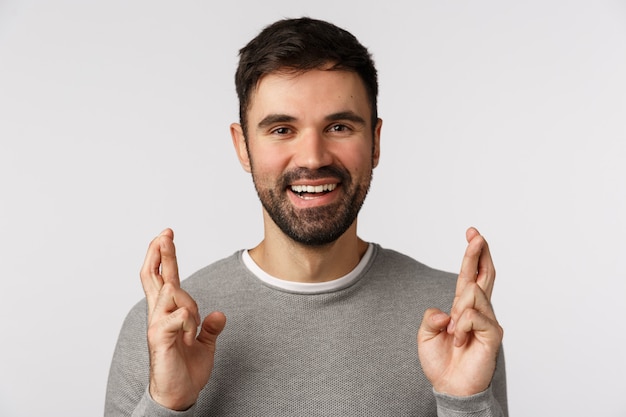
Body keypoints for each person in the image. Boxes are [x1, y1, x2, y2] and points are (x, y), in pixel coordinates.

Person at [105, 17, 507, 416]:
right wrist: (167, 405)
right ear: (243, 147)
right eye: (282, 129)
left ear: (375, 142)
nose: (313, 158)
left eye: (338, 126)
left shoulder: (454, 318)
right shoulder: (162, 329)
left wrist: (464, 404)